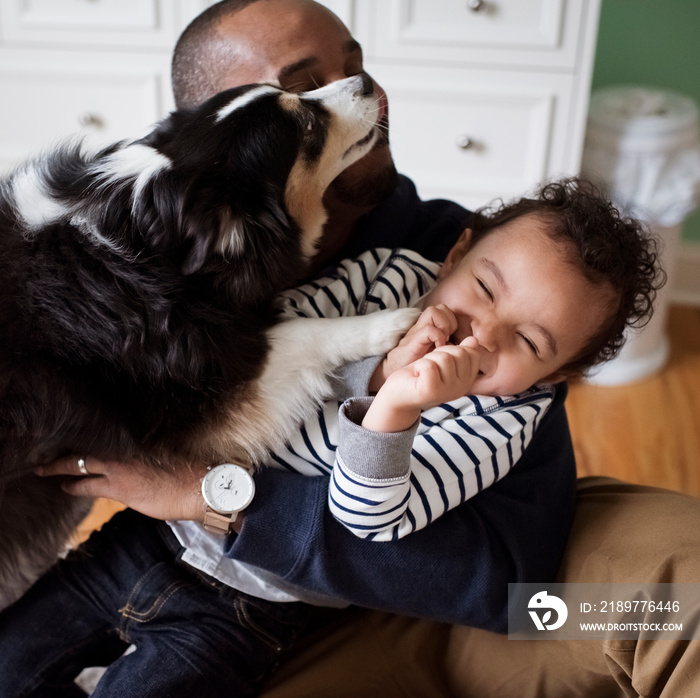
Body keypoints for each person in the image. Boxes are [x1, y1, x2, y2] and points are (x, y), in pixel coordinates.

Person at [2, 1, 697, 695]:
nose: (366, 96)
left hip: (287, 613)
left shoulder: (462, 279)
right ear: (224, 137)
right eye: (303, 92)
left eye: (359, 67)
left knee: (682, 594)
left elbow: (515, 588)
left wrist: (216, 493)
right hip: (142, 549)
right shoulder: (148, 269)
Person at [0, 179, 660, 698]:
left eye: (526, 342)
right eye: (484, 288)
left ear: (557, 375)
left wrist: (396, 404)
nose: (481, 334)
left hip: (248, 610)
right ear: (454, 255)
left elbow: (364, 517)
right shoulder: (388, 276)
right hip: (146, 538)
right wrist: (368, 358)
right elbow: (267, 340)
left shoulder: (497, 424)